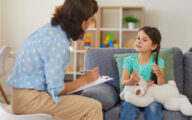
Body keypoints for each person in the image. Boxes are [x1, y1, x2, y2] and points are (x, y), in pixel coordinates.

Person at [6, 0, 103, 120]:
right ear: (81, 21)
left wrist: (79, 86)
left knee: (80, 104)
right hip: (30, 101)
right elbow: (57, 89)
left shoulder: (50, 31)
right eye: (89, 19)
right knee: (93, 107)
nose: (89, 23)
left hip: (22, 98)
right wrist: (84, 80)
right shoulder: (58, 43)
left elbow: (50, 85)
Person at [119, 26, 166, 120]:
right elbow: (123, 83)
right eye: (138, 38)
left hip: (151, 97)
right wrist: (131, 81)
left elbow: (162, 84)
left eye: (144, 40)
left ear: (153, 46)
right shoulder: (129, 60)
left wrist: (159, 74)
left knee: (154, 109)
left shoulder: (158, 61)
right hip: (133, 94)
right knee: (128, 109)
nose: (139, 41)